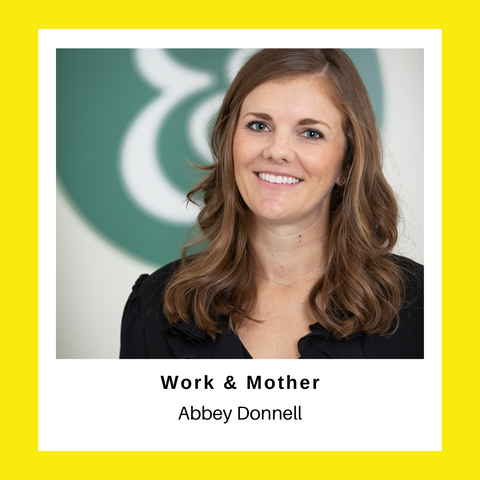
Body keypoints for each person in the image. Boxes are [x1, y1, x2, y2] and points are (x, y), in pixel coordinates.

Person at [120, 49, 423, 359]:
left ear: (347, 164)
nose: (278, 151)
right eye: (259, 126)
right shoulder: (156, 303)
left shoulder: (426, 305)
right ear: (229, 143)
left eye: (310, 133)